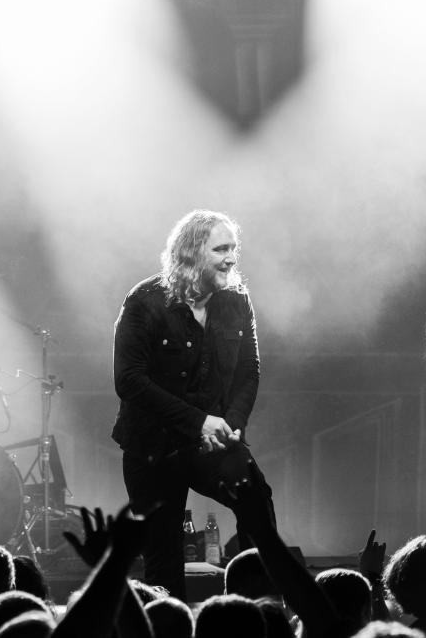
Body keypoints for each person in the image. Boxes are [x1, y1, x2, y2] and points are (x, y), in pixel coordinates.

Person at [111, 209, 271, 600]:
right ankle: (169, 621)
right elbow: (129, 380)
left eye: (233, 248)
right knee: (163, 558)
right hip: (153, 446)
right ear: (193, 252)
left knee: (255, 499)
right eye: (221, 249)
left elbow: (249, 372)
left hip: (213, 440)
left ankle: (252, 606)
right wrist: (200, 422)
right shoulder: (145, 300)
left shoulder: (236, 300)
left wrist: (231, 425)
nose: (231, 258)